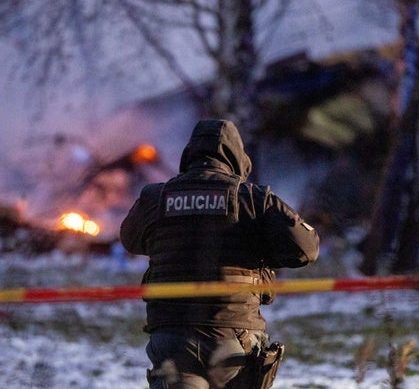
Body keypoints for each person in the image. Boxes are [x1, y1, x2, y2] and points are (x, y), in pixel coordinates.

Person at [120, 119, 319, 389]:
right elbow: (306, 249)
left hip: (172, 341)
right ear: (238, 158)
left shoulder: (157, 198)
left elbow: (130, 240)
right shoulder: (253, 199)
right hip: (233, 341)